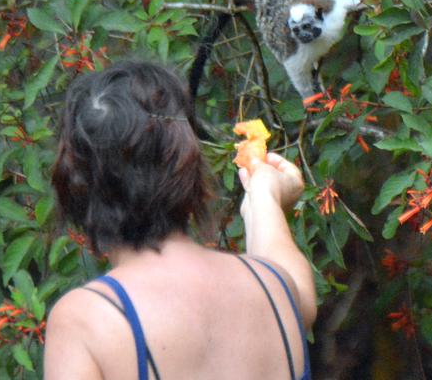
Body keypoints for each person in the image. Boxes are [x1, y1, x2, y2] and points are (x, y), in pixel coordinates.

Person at [44, 61, 316, 379]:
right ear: (186, 163)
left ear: (75, 184)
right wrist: (264, 195)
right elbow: (294, 281)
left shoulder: (88, 319)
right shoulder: (275, 290)